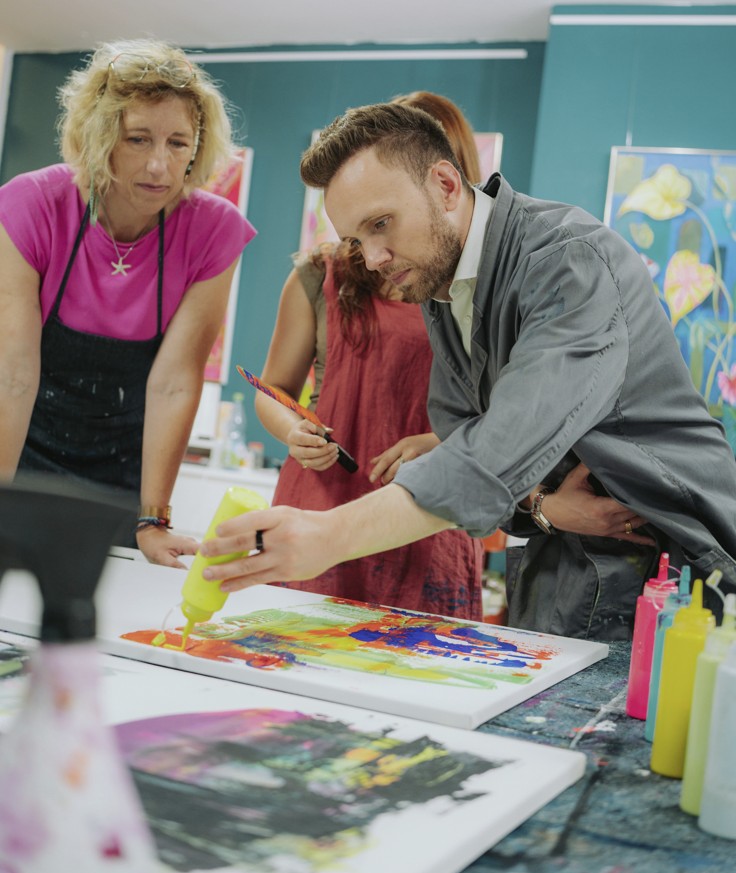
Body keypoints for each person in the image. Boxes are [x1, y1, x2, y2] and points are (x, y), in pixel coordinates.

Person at [199, 101, 736, 640]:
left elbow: (496, 450)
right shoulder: (443, 287)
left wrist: (329, 535)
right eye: (357, 241)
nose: (374, 257)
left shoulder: (569, 261)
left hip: (682, 570)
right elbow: (464, 437)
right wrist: (542, 506)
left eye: (381, 224)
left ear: (446, 185)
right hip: (566, 566)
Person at [0, 38, 256, 567]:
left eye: (178, 143)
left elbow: (175, 381)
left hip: (125, 478)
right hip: (21, 455)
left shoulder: (214, 230)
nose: (159, 166)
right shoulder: (33, 204)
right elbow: (13, 373)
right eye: (138, 139)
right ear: (100, 135)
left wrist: (153, 519)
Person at [255, 92, 485, 619]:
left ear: (447, 181)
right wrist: (294, 429)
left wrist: (440, 445)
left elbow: (508, 421)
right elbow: (272, 389)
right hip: (319, 507)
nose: (377, 253)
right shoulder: (319, 276)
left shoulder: (484, 290)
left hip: (427, 521)